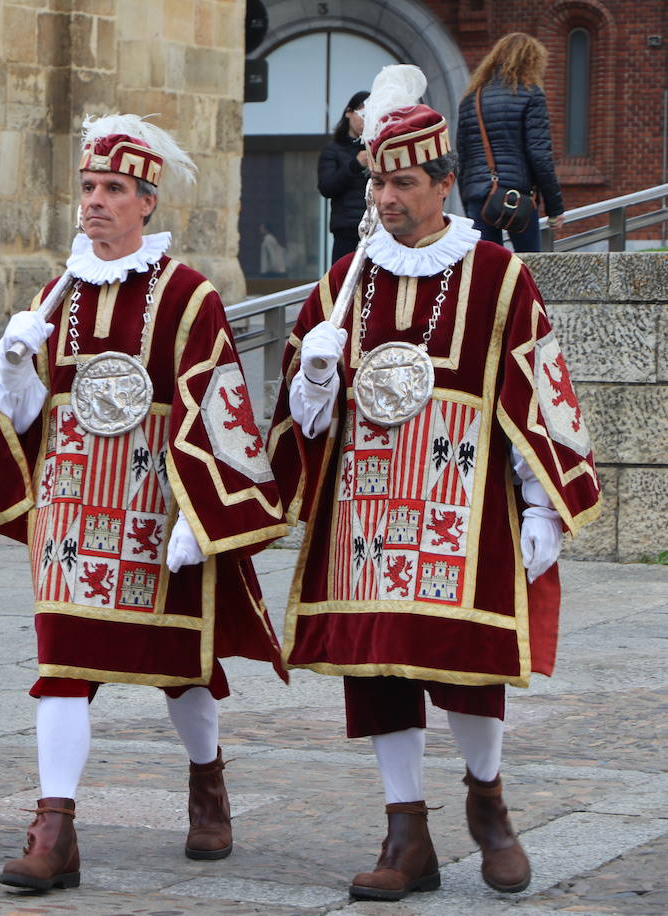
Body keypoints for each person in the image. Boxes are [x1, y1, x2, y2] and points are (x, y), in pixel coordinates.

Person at [268, 65, 602, 901]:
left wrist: (539, 503)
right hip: (368, 505)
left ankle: (487, 804)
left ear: (445, 183)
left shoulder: (495, 273)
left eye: (402, 182)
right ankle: (405, 830)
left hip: (462, 497)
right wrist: (311, 376)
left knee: (465, 655)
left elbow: (535, 385)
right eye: (377, 179)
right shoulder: (344, 282)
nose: (383, 198)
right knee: (377, 662)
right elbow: (302, 419)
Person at [0, 114, 289, 891]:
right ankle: (55, 829)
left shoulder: (186, 295)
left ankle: (207, 779)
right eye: (88, 187)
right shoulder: (55, 295)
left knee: (181, 664)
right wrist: (14, 367)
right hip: (74, 510)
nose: (96, 202)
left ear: (147, 201)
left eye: (113, 189)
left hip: (158, 503)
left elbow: (222, 406)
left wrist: (202, 516)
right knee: (60, 666)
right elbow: (21, 420)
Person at [457, 32, 566, 252]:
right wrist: (555, 209)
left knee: (488, 267)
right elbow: (539, 155)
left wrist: (468, 199)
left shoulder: (472, 98)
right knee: (530, 265)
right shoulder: (530, 95)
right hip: (516, 197)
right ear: (530, 62)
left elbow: (462, 156)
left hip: (478, 196)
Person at [317, 90, 371, 265]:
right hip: (346, 229)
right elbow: (326, 187)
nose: (365, 120)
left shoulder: (377, 146)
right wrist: (355, 164)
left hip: (376, 228)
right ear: (349, 113)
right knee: (341, 282)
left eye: (370, 115)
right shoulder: (333, 149)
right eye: (361, 113)